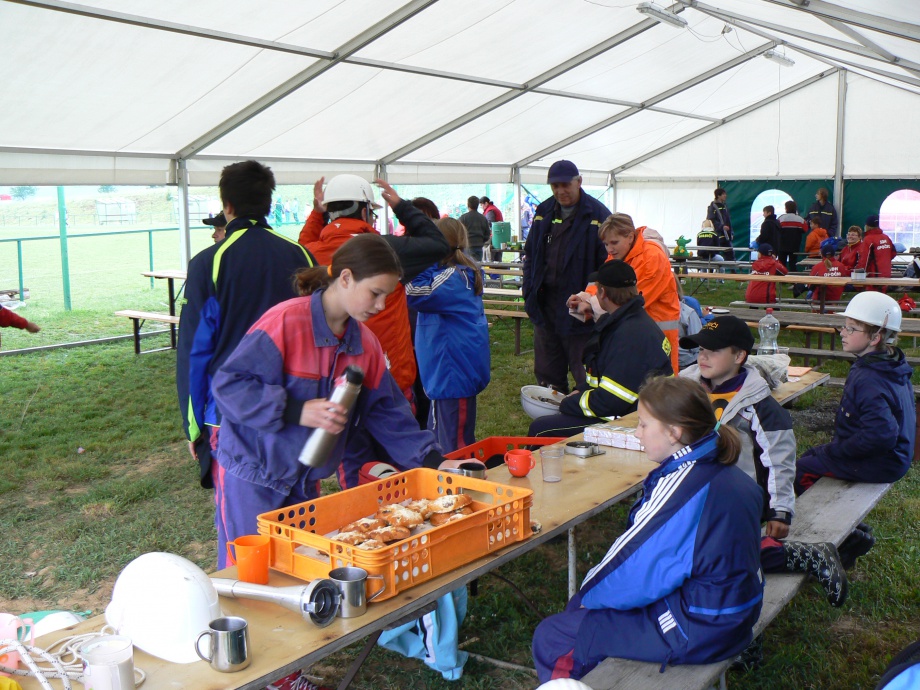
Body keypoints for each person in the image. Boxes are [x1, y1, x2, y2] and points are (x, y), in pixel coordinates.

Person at [210, 235, 453, 564]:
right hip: (252, 474)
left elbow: (389, 414)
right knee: (249, 568)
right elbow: (230, 385)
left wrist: (436, 462)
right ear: (346, 278)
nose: (381, 305)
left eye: (387, 296)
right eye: (375, 293)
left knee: (295, 567)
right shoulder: (285, 323)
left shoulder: (366, 344)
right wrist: (296, 410)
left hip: (305, 482)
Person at [531, 376, 764, 683]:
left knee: (554, 636)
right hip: (735, 612)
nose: (637, 433)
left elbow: (631, 565)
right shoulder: (724, 470)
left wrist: (583, 600)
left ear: (674, 433)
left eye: (643, 424)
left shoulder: (684, 490)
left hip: (701, 626)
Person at [679, 316, 847, 607]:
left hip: (738, 500)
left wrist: (780, 511)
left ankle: (803, 555)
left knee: (716, 556)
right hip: (694, 492)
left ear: (739, 356)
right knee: (688, 548)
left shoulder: (758, 404)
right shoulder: (685, 387)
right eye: (700, 349)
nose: (702, 356)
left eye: (713, 350)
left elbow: (779, 461)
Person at [177, 160, 316, 490]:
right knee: (299, 509)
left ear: (227, 206)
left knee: (240, 515)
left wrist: (192, 426)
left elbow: (194, 351)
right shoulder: (302, 255)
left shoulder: (209, 262)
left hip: (230, 413)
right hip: (294, 407)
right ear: (268, 202)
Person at [296, 175, 450, 408]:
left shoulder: (309, 252)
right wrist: (400, 206)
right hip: (388, 379)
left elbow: (304, 242)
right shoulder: (387, 250)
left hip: (331, 382)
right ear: (365, 211)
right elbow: (438, 244)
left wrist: (318, 215)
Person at [795, 292, 915, 567]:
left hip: (884, 461)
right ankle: (853, 529)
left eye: (851, 328)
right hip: (896, 455)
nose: (842, 332)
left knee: (803, 470)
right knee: (813, 457)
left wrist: (835, 450)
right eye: (844, 326)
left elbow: (880, 436)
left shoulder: (869, 377)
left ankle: (848, 539)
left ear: (875, 337)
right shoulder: (889, 362)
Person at [529, 261, 671, 437]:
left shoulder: (631, 335)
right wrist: (581, 389)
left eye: (596, 290)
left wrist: (566, 404)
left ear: (602, 293)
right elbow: (604, 376)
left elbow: (611, 401)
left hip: (632, 421)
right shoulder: (627, 322)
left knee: (540, 429)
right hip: (633, 413)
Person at [523, 160, 610, 392]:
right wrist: (529, 291)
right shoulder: (543, 212)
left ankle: (584, 409)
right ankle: (552, 410)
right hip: (546, 306)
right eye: (555, 186)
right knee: (548, 375)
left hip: (581, 309)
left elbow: (608, 265)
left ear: (579, 182)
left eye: (565, 185)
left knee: (586, 373)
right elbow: (530, 255)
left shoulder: (599, 215)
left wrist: (592, 300)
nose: (560, 191)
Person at [406, 217, 490, 452]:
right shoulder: (455, 274)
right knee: (442, 440)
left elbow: (412, 291)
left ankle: (460, 475)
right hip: (449, 373)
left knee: (455, 447)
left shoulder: (452, 279)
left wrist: (426, 259)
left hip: (452, 376)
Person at [580, 213, 680, 373]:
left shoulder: (652, 257)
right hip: (633, 331)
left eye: (614, 243)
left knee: (658, 386)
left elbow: (629, 300)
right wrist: (584, 298)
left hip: (656, 336)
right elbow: (603, 282)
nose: (609, 249)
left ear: (630, 237)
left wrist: (590, 304)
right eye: (606, 244)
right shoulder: (620, 254)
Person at [857, 214, 895, 291]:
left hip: (874, 276)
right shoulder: (886, 237)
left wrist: (858, 276)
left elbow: (864, 260)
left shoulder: (868, 239)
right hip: (886, 274)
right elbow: (893, 253)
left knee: (872, 297)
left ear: (867, 226)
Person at [808, 238, 848, 307]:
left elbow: (810, 284)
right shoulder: (841, 266)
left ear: (822, 254)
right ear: (833, 253)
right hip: (836, 297)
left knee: (811, 293)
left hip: (819, 298)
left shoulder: (817, 267)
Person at [777, 200, 808, 271]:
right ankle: (793, 277)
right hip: (794, 246)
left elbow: (776, 229)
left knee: (781, 265)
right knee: (793, 265)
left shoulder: (781, 219)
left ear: (786, 208)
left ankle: (781, 278)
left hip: (782, 246)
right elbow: (805, 230)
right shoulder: (800, 220)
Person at [459, 195, 491, 261]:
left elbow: (458, 232)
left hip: (467, 247)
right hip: (479, 247)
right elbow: (487, 234)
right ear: (478, 205)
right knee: (477, 265)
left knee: (468, 265)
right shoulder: (483, 218)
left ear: (468, 205)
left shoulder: (463, 218)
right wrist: (481, 241)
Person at [706, 187, 733, 260]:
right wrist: (721, 227)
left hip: (726, 236)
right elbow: (711, 220)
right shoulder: (712, 207)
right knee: (716, 256)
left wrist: (731, 232)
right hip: (717, 235)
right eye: (723, 194)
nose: (725, 196)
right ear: (718, 195)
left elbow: (728, 220)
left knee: (730, 256)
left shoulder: (725, 206)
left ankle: (731, 267)